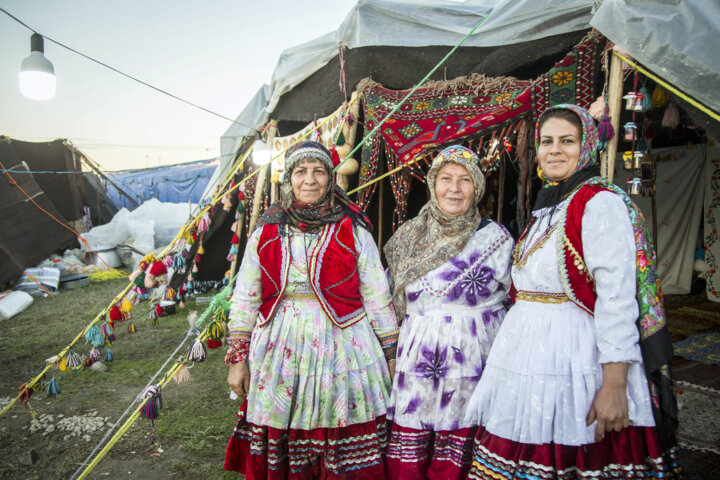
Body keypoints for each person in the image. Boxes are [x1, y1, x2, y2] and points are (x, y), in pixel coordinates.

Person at [464, 104, 682, 479]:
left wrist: (614, 384)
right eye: (546, 142)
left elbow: (616, 297)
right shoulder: (548, 206)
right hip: (528, 356)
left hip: (574, 358)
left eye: (567, 141)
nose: (554, 150)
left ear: (587, 146)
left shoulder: (598, 202)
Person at [223, 141, 399, 479]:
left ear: (330, 178)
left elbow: (377, 295)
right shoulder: (267, 229)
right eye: (301, 172)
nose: (310, 180)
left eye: (319, 171)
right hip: (281, 346)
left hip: (344, 345)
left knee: (340, 429)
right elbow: (246, 296)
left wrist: (390, 352)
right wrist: (237, 359)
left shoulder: (353, 227)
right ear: (288, 179)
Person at [383, 145, 513, 479]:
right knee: (416, 438)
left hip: (476, 359)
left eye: (465, 180)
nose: (454, 188)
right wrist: (388, 350)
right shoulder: (408, 238)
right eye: (446, 179)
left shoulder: (495, 239)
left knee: (466, 439)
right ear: (432, 183)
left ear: (478, 188)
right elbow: (384, 298)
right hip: (417, 358)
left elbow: (518, 296)